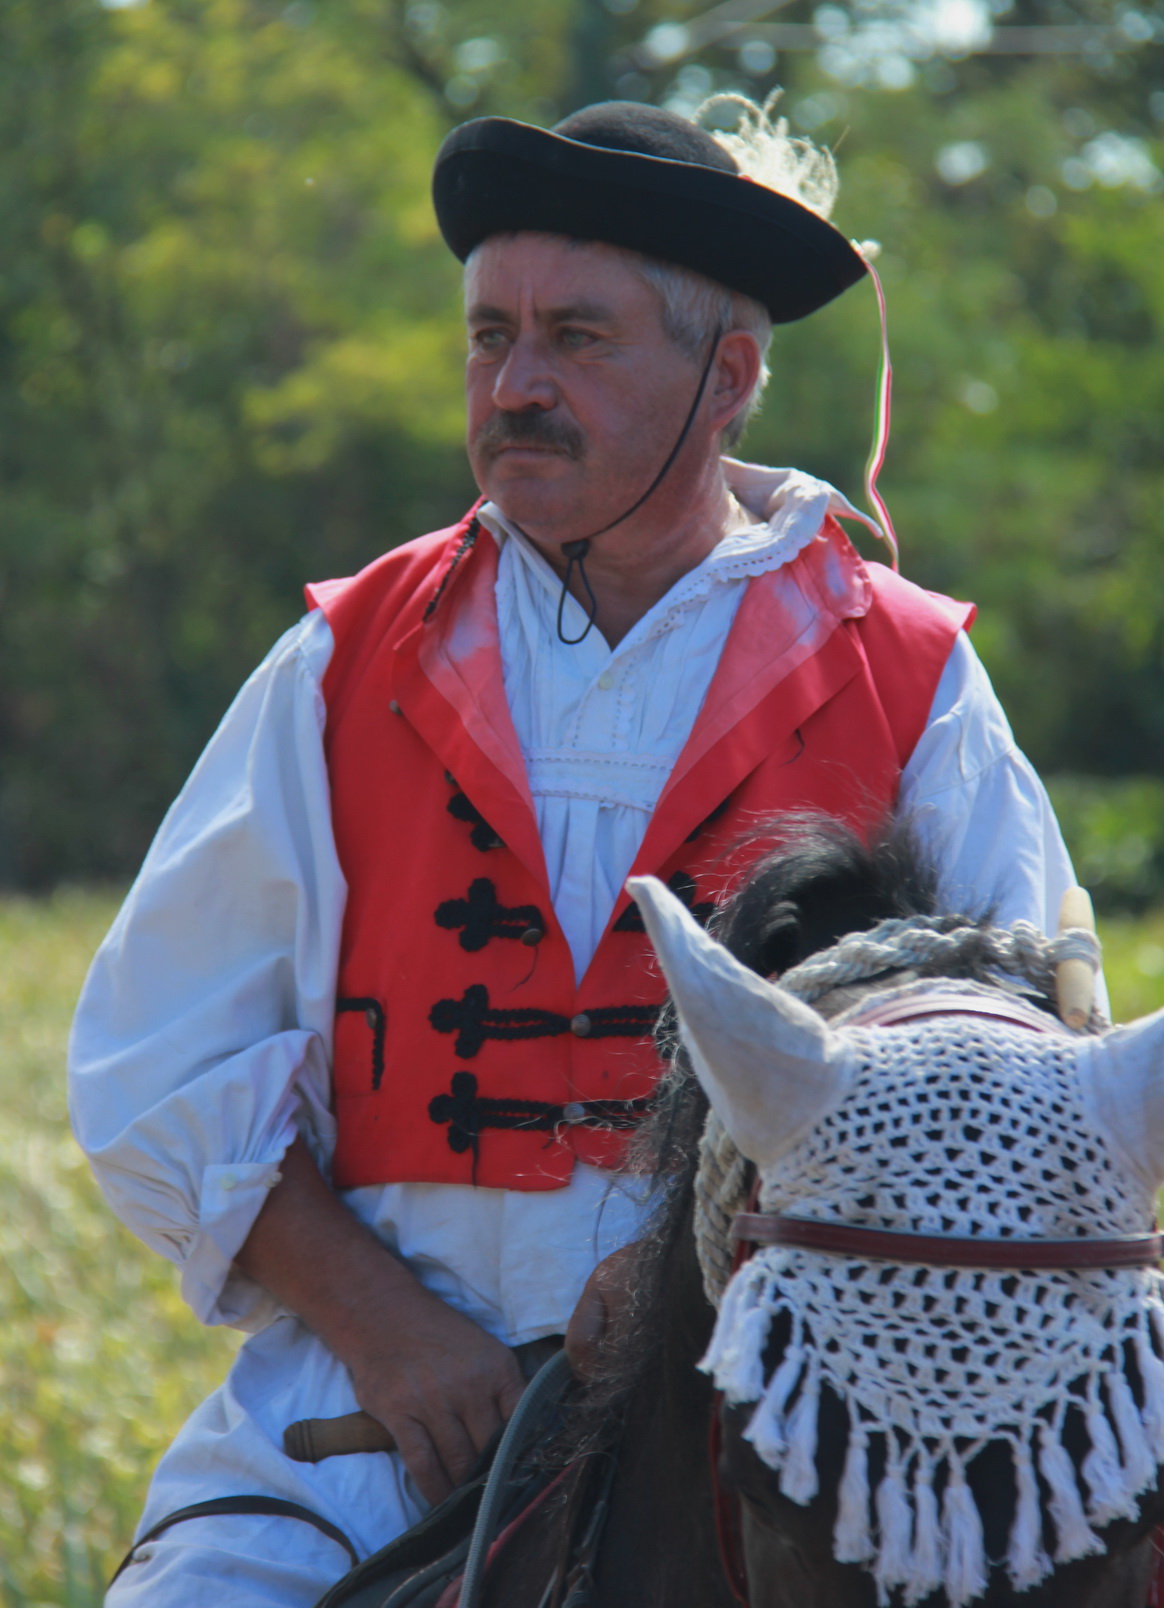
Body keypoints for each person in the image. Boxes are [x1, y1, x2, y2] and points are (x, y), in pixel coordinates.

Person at [69, 95, 1083, 1606]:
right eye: (491, 336)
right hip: (359, 1437)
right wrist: (391, 1332)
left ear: (727, 379)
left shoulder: (909, 676)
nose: (516, 385)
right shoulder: (344, 661)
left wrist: (690, 1275)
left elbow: (1020, 1104)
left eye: (577, 339)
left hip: (780, 1442)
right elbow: (159, 1062)